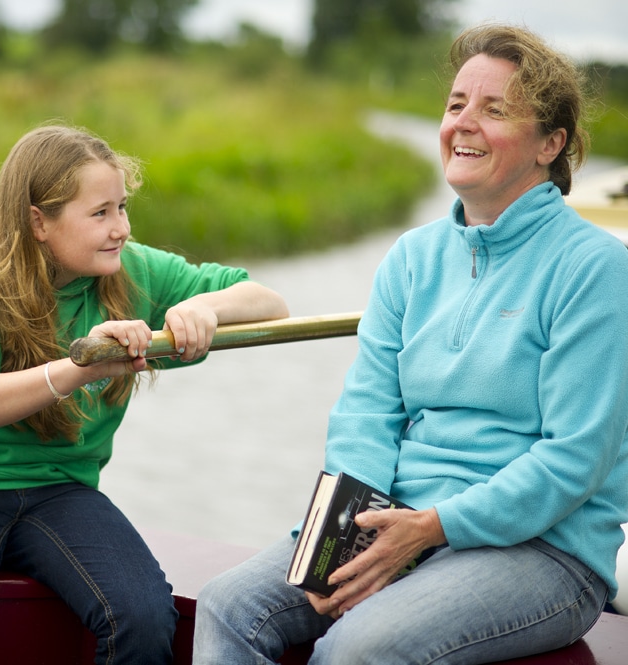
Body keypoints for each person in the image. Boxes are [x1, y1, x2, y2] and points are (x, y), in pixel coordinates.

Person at [193, 23, 628, 665]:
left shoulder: (594, 268)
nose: (464, 123)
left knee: (357, 649)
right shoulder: (412, 257)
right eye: (456, 106)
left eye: (495, 109)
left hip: (543, 551)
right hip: (395, 521)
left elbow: (574, 460)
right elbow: (367, 411)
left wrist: (430, 529)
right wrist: (347, 537)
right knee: (229, 607)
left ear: (550, 143)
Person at [0, 123, 289, 665]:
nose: (121, 229)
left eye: (122, 207)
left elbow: (269, 302)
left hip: (57, 487)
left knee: (143, 617)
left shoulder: (128, 267)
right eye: (100, 214)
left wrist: (207, 309)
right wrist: (80, 366)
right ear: (39, 221)